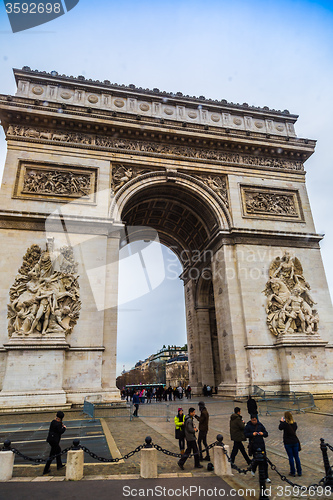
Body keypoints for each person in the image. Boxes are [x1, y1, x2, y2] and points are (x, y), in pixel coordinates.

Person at [244, 415, 270, 483]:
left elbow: (266, 433)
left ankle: (266, 477)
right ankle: (253, 469)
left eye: (255, 420)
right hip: (254, 446)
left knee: (264, 462)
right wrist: (252, 434)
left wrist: (262, 433)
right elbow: (245, 434)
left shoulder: (260, 425)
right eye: (253, 420)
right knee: (256, 460)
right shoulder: (248, 426)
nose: (254, 421)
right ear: (251, 420)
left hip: (261, 445)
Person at [279, 411, 302, 477]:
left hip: (288, 442)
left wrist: (281, 421)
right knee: (296, 457)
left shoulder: (285, 424)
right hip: (295, 441)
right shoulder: (294, 423)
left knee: (291, 457)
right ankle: (299, 471)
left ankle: (293, 472)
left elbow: (280, 428)